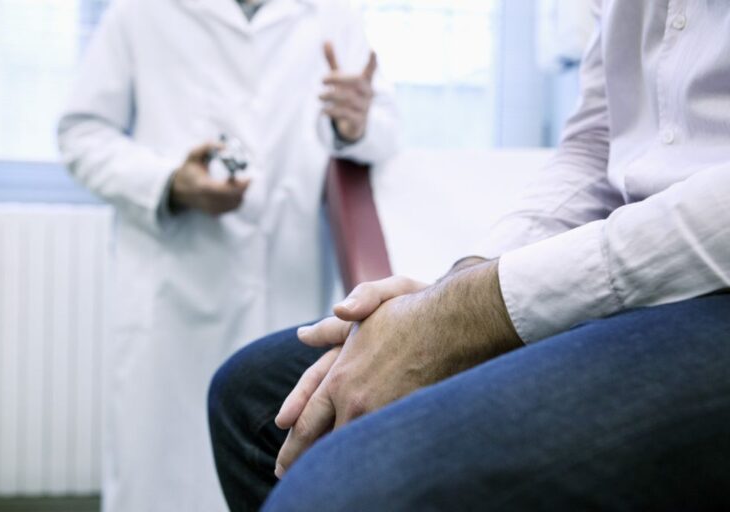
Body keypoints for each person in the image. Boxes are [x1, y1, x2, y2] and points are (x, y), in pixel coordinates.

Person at [208, 0, 730, 510]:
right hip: (643, 273)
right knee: (252, 397)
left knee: (345, 482)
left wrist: (472, 313)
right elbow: (598, 140)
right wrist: (464, 279)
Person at [57, 0, 399, 510]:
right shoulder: (137, 11)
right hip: (173, 287)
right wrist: (169, 181)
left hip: (287, 282)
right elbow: (81, 133)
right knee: (163, 475)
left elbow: (383, 131)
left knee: (269, 472)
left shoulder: (334, 13)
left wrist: (354, 124)